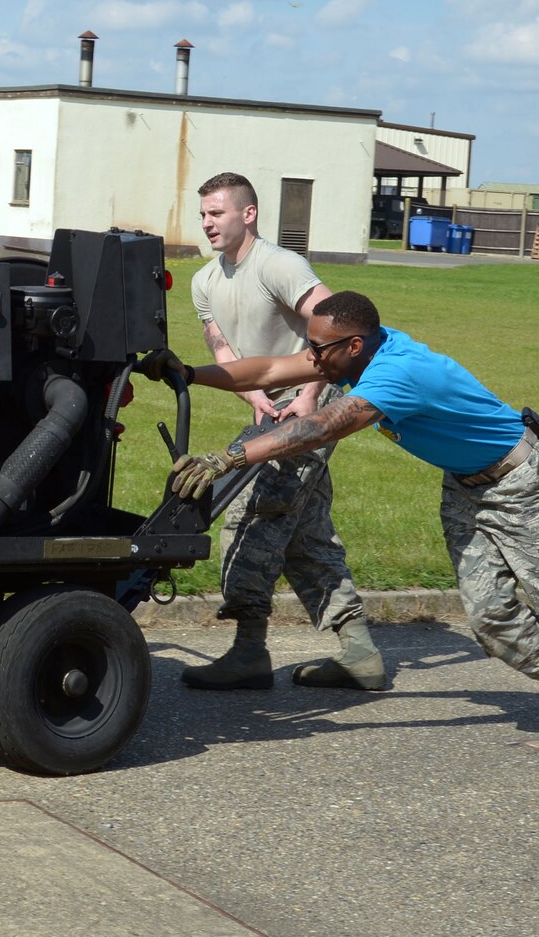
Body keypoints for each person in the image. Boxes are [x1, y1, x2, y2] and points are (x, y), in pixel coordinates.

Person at [141, 291, 539, 744]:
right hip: (467, 490)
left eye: (320, 350)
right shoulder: (350, 355)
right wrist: (189, 373)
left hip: (522, 480)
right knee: (492, 620)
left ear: (355, 345)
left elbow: (320, 426)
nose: (311, 360)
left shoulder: (398, 373)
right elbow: (267, 370)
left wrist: (231, 456)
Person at [181, 172, 386, 691]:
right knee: (305, 530)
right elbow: (225, 352)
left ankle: (248, 651)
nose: (207, 223)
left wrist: (310, 396)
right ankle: (360, 651)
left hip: (315, 400)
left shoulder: (279, 265)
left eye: (217, 213)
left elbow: (336, 331)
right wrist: (254, 398)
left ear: (247, 214)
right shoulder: (203, 282)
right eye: (203, 214)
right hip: (267, 403)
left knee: (255, 515)